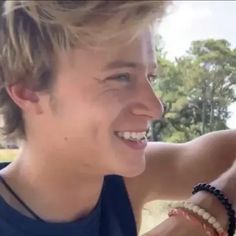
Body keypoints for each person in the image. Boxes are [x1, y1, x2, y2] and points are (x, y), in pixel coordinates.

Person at [0, 1, 235, 236]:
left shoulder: (121, 180)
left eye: (150, 77)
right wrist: (201, 216)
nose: (155, 108)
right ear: (28, 91)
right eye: (121, 77)